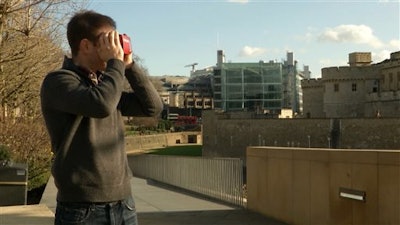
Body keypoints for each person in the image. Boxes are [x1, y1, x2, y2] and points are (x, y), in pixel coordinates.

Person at [40, 10, 163, 225]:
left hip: (124, 204)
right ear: (86, 45)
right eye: (108, 41)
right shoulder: (58, 82)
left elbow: (152, 107)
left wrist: (130, 66)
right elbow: (101, 105)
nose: (114, 47)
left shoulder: (106, 85)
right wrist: (116, 64)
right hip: (81, 209)